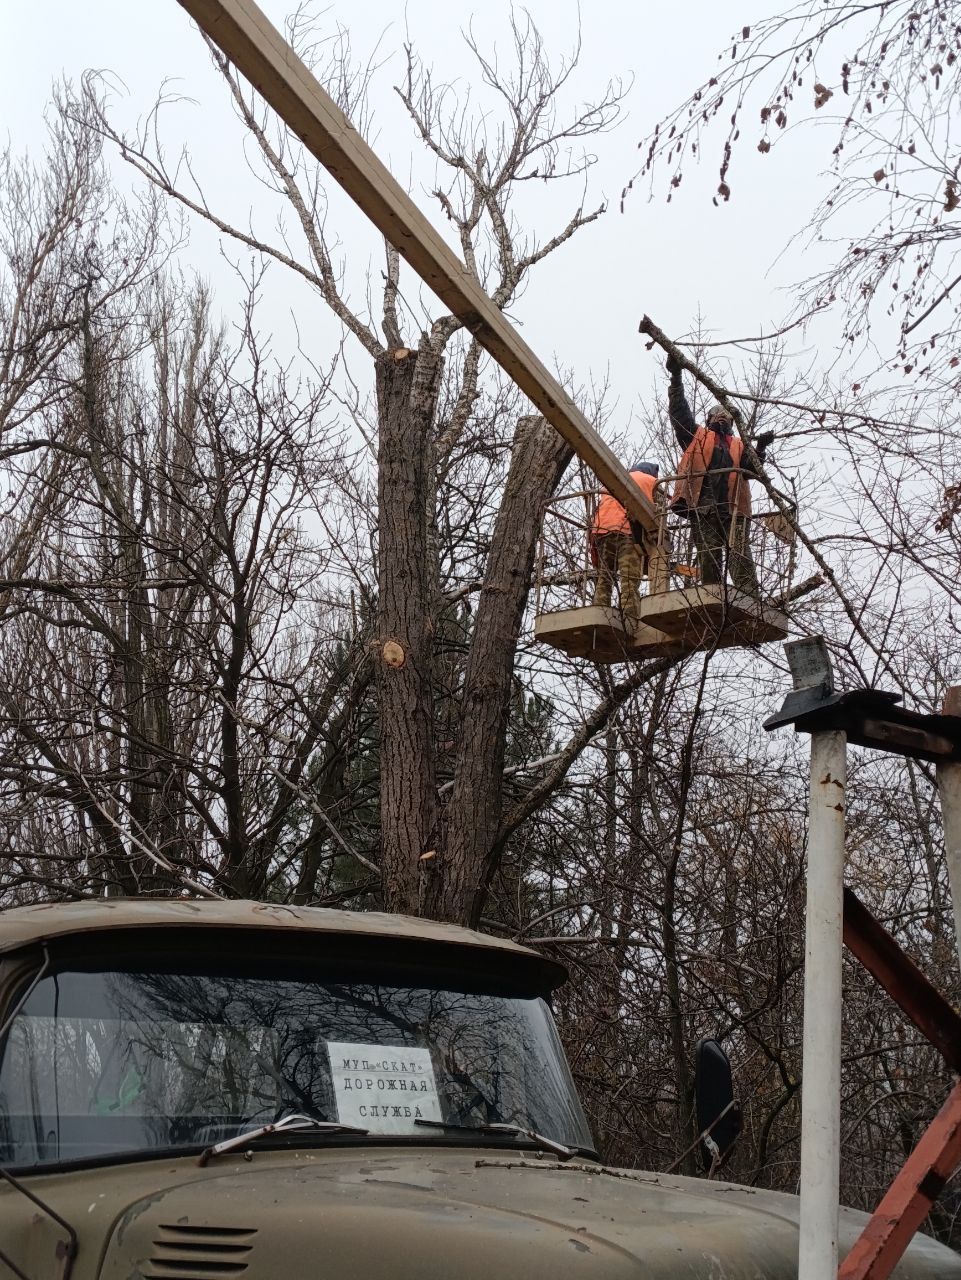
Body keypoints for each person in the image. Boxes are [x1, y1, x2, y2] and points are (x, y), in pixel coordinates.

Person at [666, 354, 774, 595]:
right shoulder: (696, 436)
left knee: (740, 555)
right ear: (709, 419)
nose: (722, 416)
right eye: (717, 413)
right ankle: (711, 596)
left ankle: (750, 597)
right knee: (709, 557)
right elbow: (679, 413)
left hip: (734, 510)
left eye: (727, 414)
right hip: (704, 508)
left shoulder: (739, 445)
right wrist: (676, 378)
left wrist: (760, 447)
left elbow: (752, 470)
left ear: (733, 423)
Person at [590, 461, 659, 624]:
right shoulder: (652, 482)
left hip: (601, 531)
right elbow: (657, 516)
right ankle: (630, 619)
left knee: (605, 577)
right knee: (629, 579)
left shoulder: (614, 479)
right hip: (626, 532)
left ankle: (599, 615)